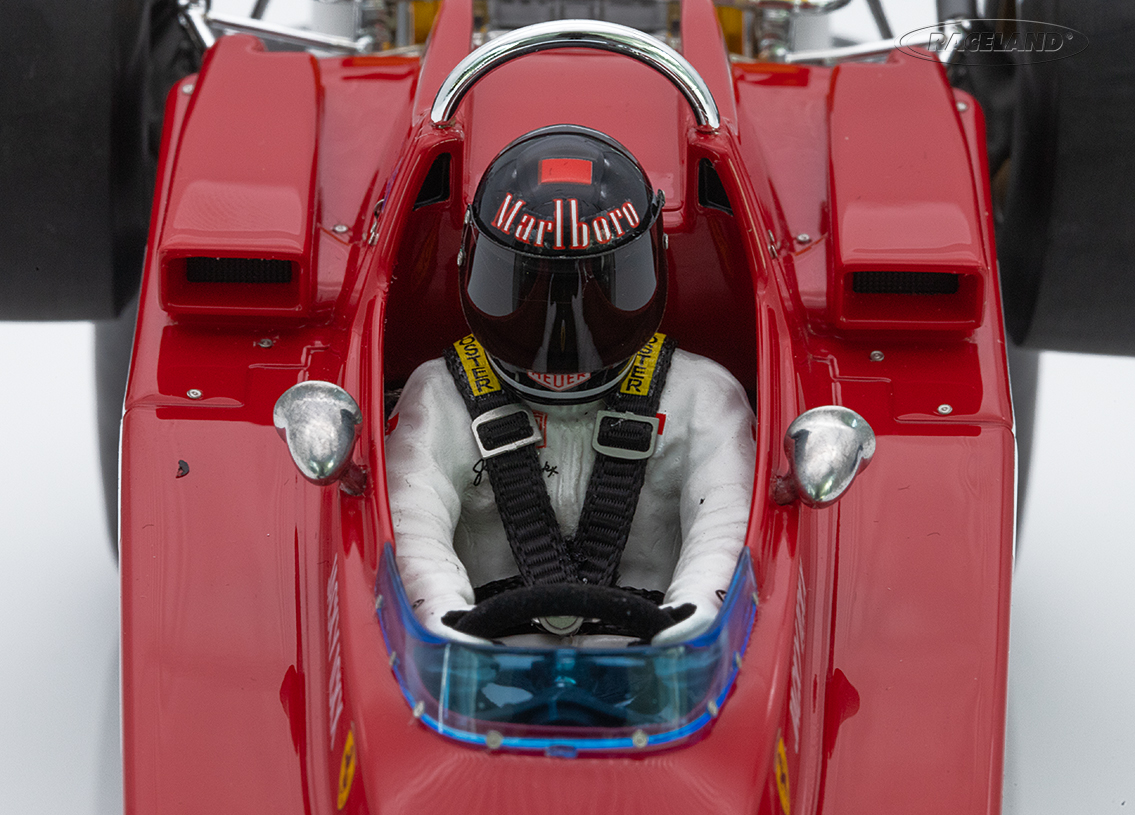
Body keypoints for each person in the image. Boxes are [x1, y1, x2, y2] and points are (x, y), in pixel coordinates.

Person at [385, 125, 755, 646]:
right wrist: (441, 616)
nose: (562, 337)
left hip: (664, 663)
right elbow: (408, 517)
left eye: (591, 295)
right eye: (531, 292)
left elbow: (726, 523)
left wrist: (694, 617)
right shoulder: (440, 395)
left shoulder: (705, 398)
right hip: (471, 658)